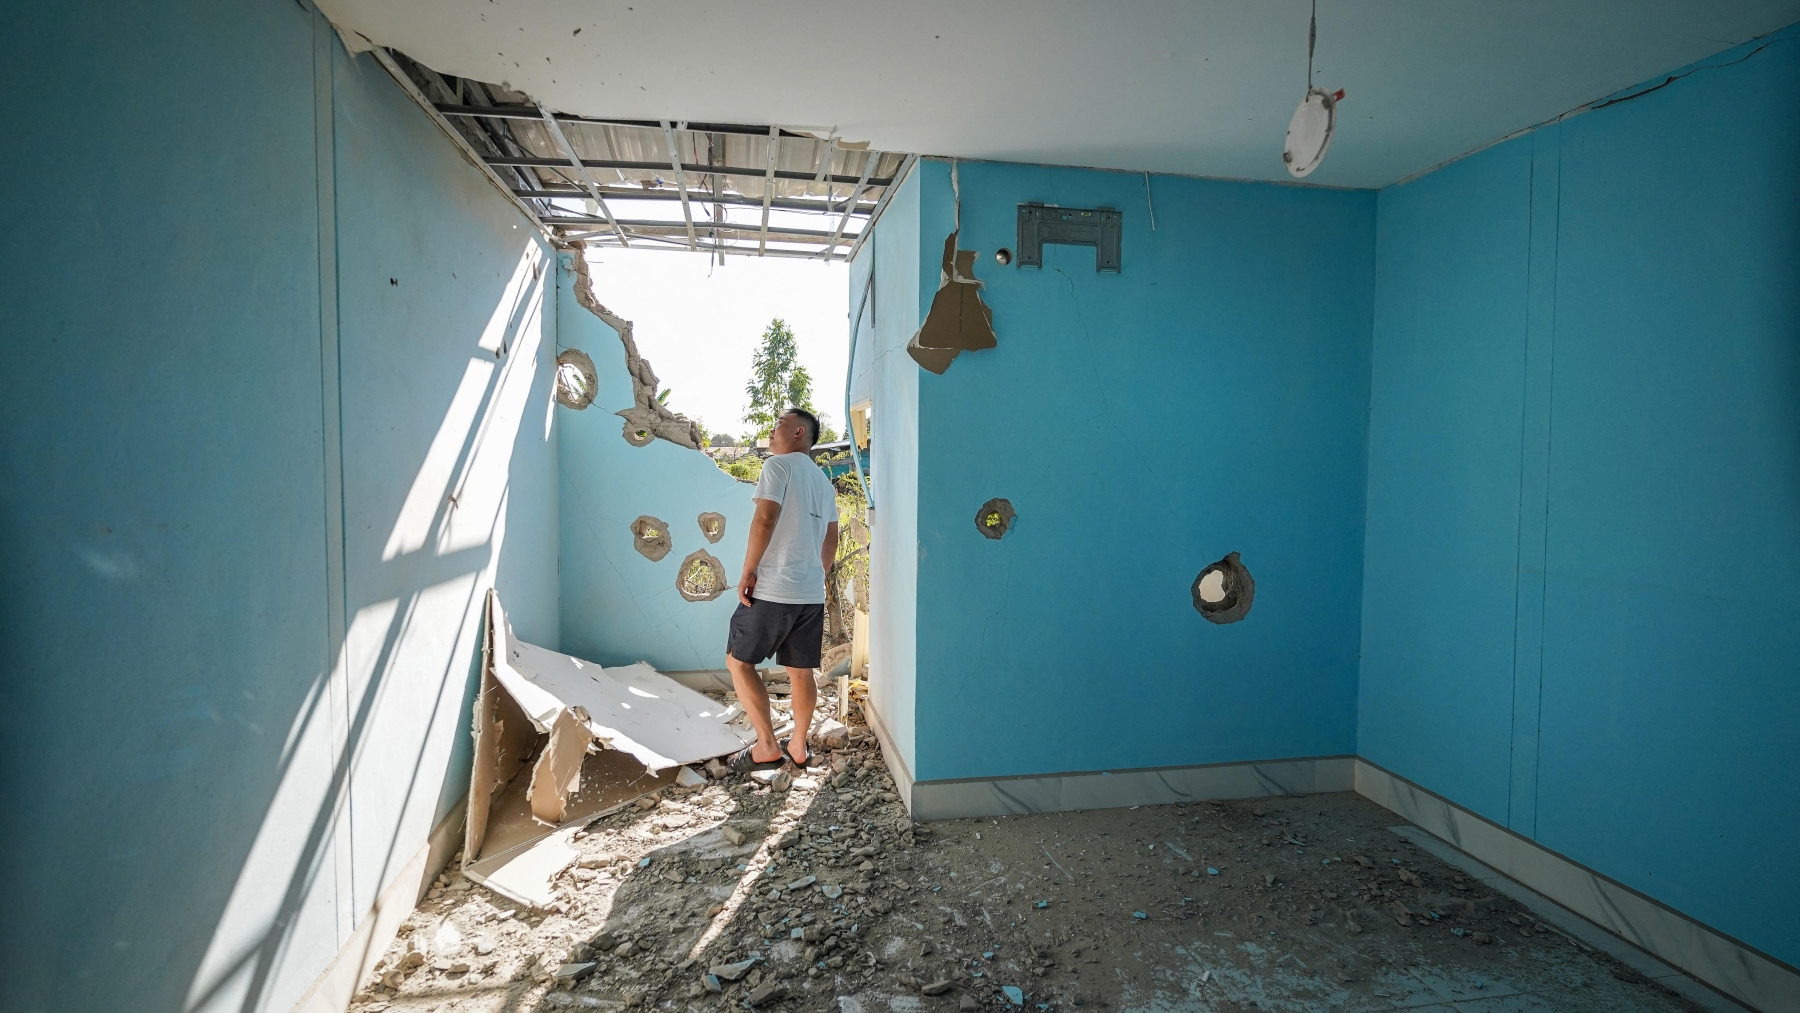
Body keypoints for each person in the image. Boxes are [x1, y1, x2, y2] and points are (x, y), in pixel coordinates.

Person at [726, 408, 839, 772]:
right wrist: (816, 576)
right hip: (810, 593)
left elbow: (765, 519)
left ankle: (767, 746)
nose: (772, 430)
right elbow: (832, 538)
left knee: (739, 662)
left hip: (774, 588)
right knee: (801, 672)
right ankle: (799, 746)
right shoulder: (823, 483)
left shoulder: (778, 466)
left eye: (779, 424)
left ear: (799, 432)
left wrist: (748, 571)